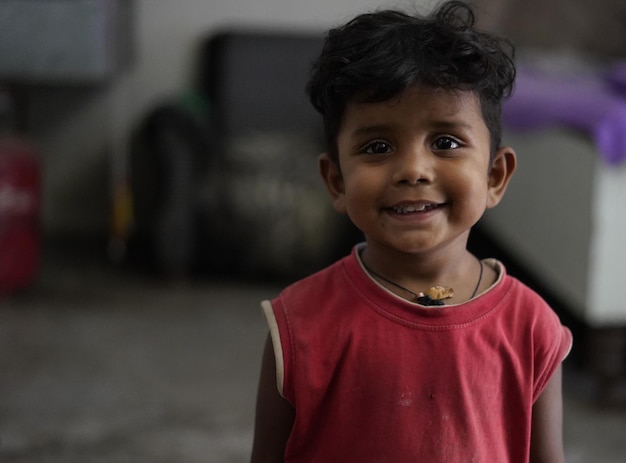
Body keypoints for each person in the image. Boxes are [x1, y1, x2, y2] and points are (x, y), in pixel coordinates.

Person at [250, 1, 573, 462]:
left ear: (495, 176)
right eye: (378, 146)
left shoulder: (532, 327)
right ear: (337, 181)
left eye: (446, 142)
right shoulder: (299, 324)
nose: (414, 170)